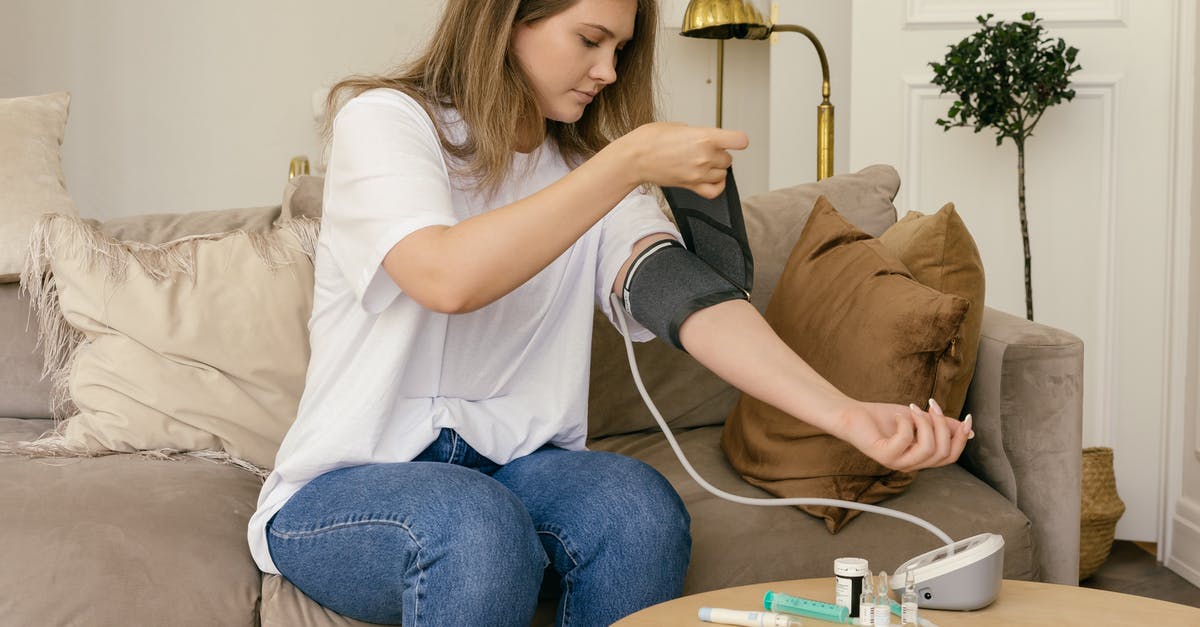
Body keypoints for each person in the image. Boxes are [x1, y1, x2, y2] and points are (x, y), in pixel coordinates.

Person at [247, 0, 974, 625]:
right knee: (472, 524)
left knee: (637, 510)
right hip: (350, 485)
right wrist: (622, 164)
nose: (608, 71)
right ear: (506, 22)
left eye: (621, 49)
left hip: (517, 467)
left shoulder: (588, 174)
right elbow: (444, 275)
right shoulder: (386, 121)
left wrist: (847, 415)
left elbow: (687, 301)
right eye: (589, 40)